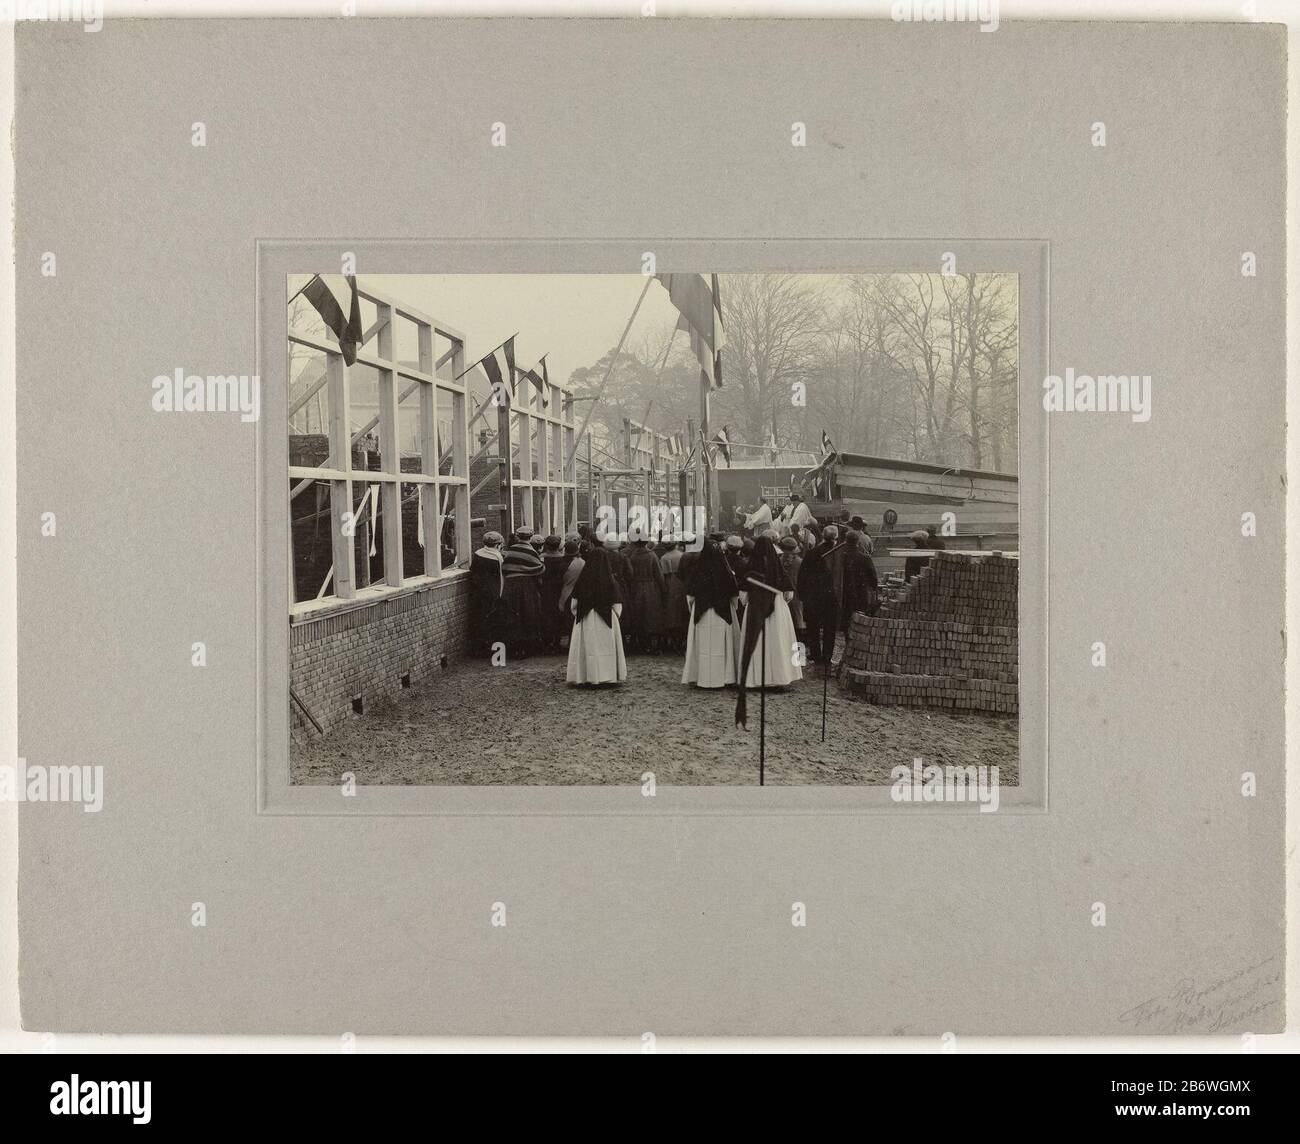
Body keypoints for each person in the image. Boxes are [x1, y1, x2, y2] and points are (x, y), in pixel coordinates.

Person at [734, 536, 802, 727]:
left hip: (756, 609)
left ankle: (756, 680)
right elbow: (789, 593)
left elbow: (743, 596)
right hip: (776, 610)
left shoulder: (751, 568)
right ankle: (778, 679)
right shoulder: (778, 569)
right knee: (777, 642)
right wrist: (779, 601)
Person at [681, 538, 741, 689]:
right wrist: (733, 606)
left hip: (702, 612)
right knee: (722, 645)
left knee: (703, 646)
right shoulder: (726, 571)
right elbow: (734, 594)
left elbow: (690, 595)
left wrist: (693, 607)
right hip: (722, 612)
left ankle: (702, 677)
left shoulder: (698, 570)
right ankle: (724, 677)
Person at [566, 546, 627, 686]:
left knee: (587, 648)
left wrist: (580, 613)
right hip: (606, 619)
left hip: (586, 618)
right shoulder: (611, 581)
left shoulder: (582, 580)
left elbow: (574, 604)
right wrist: (615, 615)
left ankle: (586, 675)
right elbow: (617, 604)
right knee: (606, 648)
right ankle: (607, 675)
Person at [798, 524, 844, 665]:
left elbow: (802, 575)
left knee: (813, 626)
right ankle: (827, 656)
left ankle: (816, 654)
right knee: (830, 628)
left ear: (823, 536)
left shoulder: (813, 553)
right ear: (836, 537)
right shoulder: (839, 554)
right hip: (832, 597)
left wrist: (802, 594)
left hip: (813, 597)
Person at [502, 527, 544, 658]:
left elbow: (505, 567)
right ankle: (526, 648)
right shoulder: (531, 551)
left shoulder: (510, 551)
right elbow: (539, 568)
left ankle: (515, 647)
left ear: (518, 536)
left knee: (513, 615)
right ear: (530, 537)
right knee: (528, 614)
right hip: (526, 586)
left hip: (510, 586)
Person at [625, 533, 667, 653]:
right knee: (651, 614)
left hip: (636, 587)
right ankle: (651, 644)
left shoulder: (632, 556)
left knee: (639, 614)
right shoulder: (652, 555)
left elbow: (630, 573)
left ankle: (641, 643)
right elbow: (658, 574)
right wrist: (663, 588)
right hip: (651, 587)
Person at [468, 530, 508, 656]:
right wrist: (501, 594)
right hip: (493, 594)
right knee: (493, 621)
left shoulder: (477, 554)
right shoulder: (498, 558)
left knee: (479, 619)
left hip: (478, 593)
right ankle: (492, 648)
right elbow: (501, 578)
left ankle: (479, 648)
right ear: (497, 545)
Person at [841, 529, 880, 629]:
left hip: (843, 593)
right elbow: (873, 577)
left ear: (846, 540)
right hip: (860, 592)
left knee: (845, 619)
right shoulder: (865, 558)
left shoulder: (841, 557)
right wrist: (874, 587)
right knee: (859, 619)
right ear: (857, 542)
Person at [659, 538, 691, 654]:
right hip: (682, 583)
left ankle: (673, 640)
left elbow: (665, 575)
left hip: (671, 585)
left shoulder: (664, 558)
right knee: (683, 611)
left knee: (672, 613)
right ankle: (683, 639)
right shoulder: (683, 555)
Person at [539, 535, 569, 653]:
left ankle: (547, 641)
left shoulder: (542, 558)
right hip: (559, 589)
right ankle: (557, 641)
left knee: (547, 614)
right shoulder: (563, 559)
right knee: (558, 614)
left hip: (545, 589)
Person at [778, 535, 806, 646]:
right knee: (798, 622)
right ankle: (799, 656)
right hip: (797, 597)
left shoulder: (777, 561)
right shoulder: (800, 562)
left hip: (781, 596)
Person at [557, 537, 585, 635]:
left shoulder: (561, 564)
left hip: (565, 594)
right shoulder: (582, 563)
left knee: (567, 619)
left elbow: (559, 580)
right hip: (579, 593)